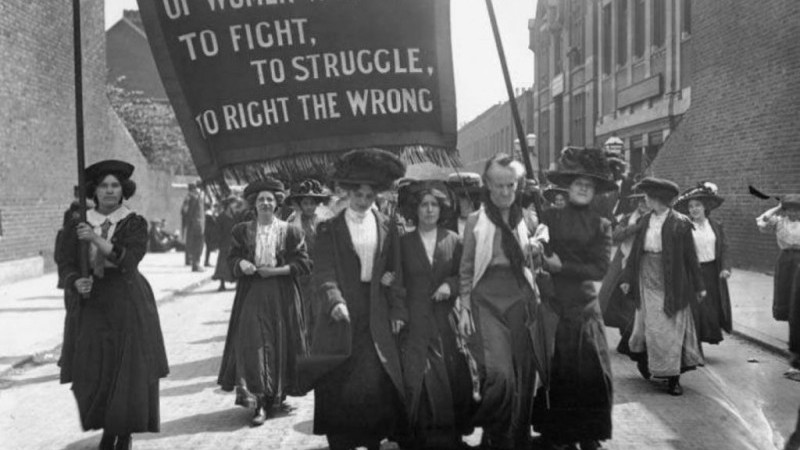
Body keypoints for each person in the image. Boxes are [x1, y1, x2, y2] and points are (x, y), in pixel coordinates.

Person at [56, 160, 168, 450]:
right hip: (91, 302)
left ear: (123, 190)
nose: (109, 191)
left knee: (126, 369)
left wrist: (94, 238)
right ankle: (108, 426)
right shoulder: (77, 223)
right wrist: (75, 282)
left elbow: (128, 260)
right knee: (93, 370)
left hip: (127, 299)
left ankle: (122, 433)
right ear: (94, 190)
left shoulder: (134, 223)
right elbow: (65, 262)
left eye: (115, 185)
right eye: (103, 185)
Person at [310, 148, 407, 450]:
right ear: (348, 193)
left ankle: (371, 439)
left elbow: (396, 270)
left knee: (374, 378)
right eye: (358, 195)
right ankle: (343, 441)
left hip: (376, 310)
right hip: (342, 311)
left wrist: (396, 305)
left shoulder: (388, 226)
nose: (363, 201)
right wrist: (334, 300)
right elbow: (323, 270)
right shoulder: (329, 228)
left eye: (369, 196)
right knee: (341, 377)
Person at [532, 147, 615, 450]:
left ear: (595, 191)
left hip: (584, 307)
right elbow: (538, 249)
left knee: (590, 371)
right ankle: (559, 433)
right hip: (554, 303)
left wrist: (562, 267)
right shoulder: (549, 217)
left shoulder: (602, 225)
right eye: (578, 183)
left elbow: (600, 268)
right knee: (559, 370)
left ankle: (589, 433)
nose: (582, 188)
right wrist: (541, 255)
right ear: (568, 186)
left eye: (588, 185)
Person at [457, 153, 538, 450]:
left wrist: (538, 249)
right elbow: (466, 269)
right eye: (499, 185)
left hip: (521, 302)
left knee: (522, 376)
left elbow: (537, 263)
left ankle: (508, 438)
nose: (505, 192)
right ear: (488, 185)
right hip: (487, 304)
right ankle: (493, 428)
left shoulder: (528, 219)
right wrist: (465, 307)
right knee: (500, 375)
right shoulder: (476, 221)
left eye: (510, 185)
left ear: (518, 185)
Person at [217, 178, 311, 426]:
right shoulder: (242, 231)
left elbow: (303, 263)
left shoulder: (291, 232)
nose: (266, 203)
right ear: (254, 204)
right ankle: (259, 400)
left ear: (277, 203)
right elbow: (231, 258)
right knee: (253, 343)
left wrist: (276, 271)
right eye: (261, 199)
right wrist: (242, 264)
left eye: (270, 199)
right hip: (252, 292)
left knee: (281, 342)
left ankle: (277, 395)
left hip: (283, 294)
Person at [395, 180, 470, 449]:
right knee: (419, 376)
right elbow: (396, 281)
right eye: (424, 205)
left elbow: (464, 275)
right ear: (415, 210)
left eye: (434, 205)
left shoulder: (454, 240)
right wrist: (399, 312)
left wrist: (450, 285)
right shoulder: (403, 243)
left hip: (444, 320)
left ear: (442, 209)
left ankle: (450, 437)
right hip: (415, 320)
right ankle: (419, 438)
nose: (429, 210)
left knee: (449, 375)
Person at [620, 177, 705, 396]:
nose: (645, 200)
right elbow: (635, 253)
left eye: (647, 196)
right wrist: (627, 278)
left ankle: (673, 378)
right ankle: (648, 363)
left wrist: (699, 285)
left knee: (670, 329)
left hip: (673, 282)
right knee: (651, 326)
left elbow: (691, 256)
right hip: (646, 278)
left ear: (656, 198)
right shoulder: (644, 220)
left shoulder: (681, 222)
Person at [674, 182, 732, 350]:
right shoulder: (685, 227)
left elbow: (724, 248)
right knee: (696, 308)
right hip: (693, 272)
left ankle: (704, 338)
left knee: (711, 307)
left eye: (697, 205)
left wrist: (725, 268)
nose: (694, 209)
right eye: (691, 206)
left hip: (713, 272)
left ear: (705, 207)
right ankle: (694, 344)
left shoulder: (716, 225)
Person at [599, 193, 650, 355]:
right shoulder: (628, 218)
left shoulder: (654, 220)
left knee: (634, 299)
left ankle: (630, 337)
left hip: (642, 261)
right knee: (614, 295)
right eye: (639, 202)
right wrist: (634, 228)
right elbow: (616, 235)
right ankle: (624, 331)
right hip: (623, 258)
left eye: (645, 201)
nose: (642, 205)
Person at [286, 179, 333, 340]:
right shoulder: (293, 222)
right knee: (303, 310)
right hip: (301, 273)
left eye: (312, 203)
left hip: (319, 271)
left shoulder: (324, 221)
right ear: (300, 205)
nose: (309, 207)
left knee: (320, 310)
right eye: (305, 203)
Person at [757, 194, 800, 365]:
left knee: (797, 304)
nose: (793, 213)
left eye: (797, 209)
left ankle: (796, 346)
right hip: (785, 263)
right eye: (789, 209)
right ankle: (793, 343)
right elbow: (762, 221)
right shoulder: (780, 222)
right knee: (788, 302)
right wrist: (778, 207)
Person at [212, 195, 242, 291]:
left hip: (235, 243)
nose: (236, 206)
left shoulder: (237, 216)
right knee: (223, 263)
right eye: (234, 204)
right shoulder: (221, 217)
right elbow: (217, 231)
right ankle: (222, 284)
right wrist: (217, 243)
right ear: (229, 205)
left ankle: (237, 283)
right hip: (224, 243)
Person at [445, 172, 482, 239]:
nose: (467, 202)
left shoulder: (488, 223)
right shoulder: (443, 225)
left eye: (473, 196)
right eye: (462, 197)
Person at [182, 182, 205, 271]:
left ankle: (192, 261)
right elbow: (185, 210)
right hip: (196, 224)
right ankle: (194, 263)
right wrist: (190, 220)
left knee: (193, 243)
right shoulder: (193, 197)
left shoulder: (196, 197)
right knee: (196, 244)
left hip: (196, 223)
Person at [203, 202, 220, 267]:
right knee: (208, 248)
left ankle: (206, 261)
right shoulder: (209, 214)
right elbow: (214, 222)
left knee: (208, 249)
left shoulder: (212, 214)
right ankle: (206, 262)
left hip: (209, 233)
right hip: (209, 233)